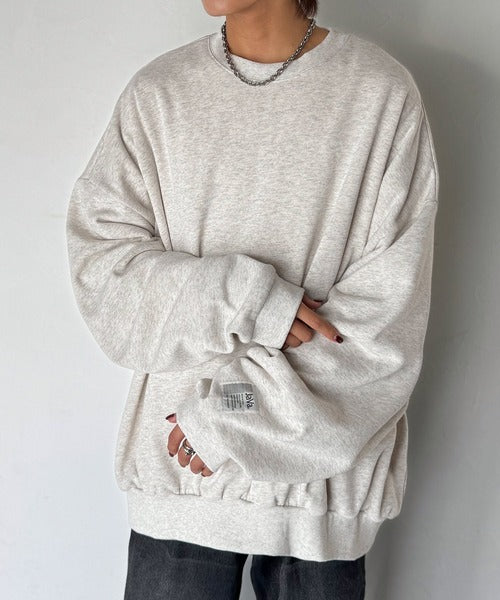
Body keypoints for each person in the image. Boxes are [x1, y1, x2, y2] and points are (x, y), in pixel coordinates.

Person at [65, 0, 439, 598]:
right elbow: (105, 275)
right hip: (180, 482)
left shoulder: (379, 95)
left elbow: (384, 327)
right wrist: (249, 301)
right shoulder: (158, 95)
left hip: (313, 498)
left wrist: (225, 418)